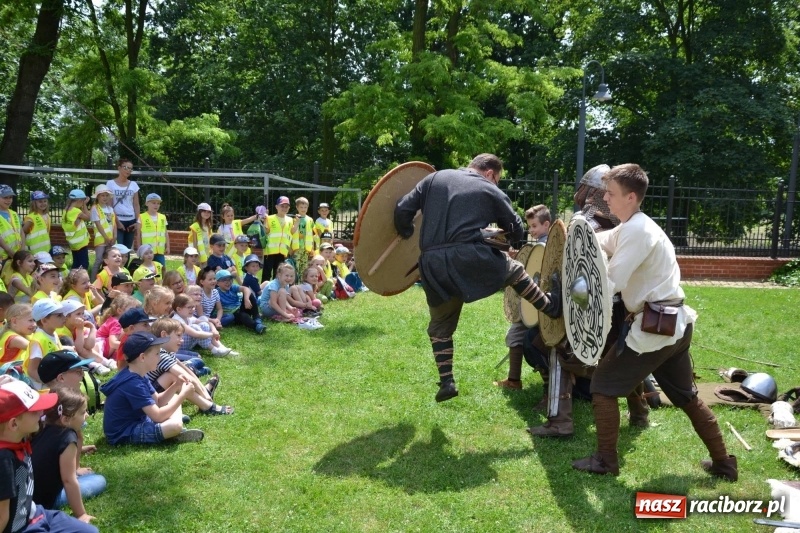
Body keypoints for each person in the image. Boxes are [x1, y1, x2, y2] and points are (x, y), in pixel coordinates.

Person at [571, 163, 737, 481]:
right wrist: (579, 236)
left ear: (631, 197)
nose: (605, 198)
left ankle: (606, 461)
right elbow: (602, 242)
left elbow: (610, 282)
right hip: (674, 324)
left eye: (611, 193)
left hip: (655, 329)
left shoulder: (637, 231)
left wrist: (573, 291)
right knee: (686, 397)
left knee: (603, 386)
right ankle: (725, 465)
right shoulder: (635, 224)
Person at [394, 153, 561, 402]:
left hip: (432, 264)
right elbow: (515, 226)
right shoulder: (487, 187)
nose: (497, 184)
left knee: (440, 325)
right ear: (490, 174)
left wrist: (406, 231)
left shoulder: (433, 179)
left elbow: (402, 210)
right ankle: (549, 306)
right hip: (468, 257)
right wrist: (506, 238)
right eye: (498, 180)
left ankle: (447, 381)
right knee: (514, 270)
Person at [0, 379, 98, 533]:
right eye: (34, 411)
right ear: (14, 425)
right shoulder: (4, 460)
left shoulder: (22, 438)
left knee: (90, 531)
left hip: (35, 512)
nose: (41, 413)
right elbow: (2, 518)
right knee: (99, 481)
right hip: (19, 527)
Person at [100, 332, 204, 445]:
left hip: (139, 421)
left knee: (173, 397)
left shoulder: (139, 374)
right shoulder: (132, 383)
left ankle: (171, 430)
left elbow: (158, 401)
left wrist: (176, 385)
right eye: (157, 354)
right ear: (142, 357)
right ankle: (173, 432)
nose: (160, 357)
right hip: (124, 434)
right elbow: (158, 416)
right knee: (175, 426)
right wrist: (183, 395)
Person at [493, 204, 552, 391]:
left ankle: (546, 388)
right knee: (516, 334)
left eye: (535, 226)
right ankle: (514, 380)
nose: (531, 230)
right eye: (530, 226)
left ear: (547, 225)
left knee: (532, 341)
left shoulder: (551, 247)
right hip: (536, 302)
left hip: (546, 304)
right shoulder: (543, 244)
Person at [31, 386, 106, 523]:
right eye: (83, 412)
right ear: (65, 419)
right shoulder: (67, 437)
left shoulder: (41, 426)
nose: (87, 415)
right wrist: (81, 514)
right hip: (46, 500)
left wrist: (80, 448)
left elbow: (49, 453)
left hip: (30, 495)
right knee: (99, 480)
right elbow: (69, 480)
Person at [149, 318, 231, 415]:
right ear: (164, 335)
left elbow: (187, 370)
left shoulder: (163, 351)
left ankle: (206, 398)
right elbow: (185, 376)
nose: (182, 340)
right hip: (150, 399)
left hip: (155, 392)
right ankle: (207, 406)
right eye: (178, 336)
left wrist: (204, 392)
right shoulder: (160, 355)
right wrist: (205, 396)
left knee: (181, 374)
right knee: (176, 377)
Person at [24, 299, 66, 389]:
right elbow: (32, 370)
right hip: (40, 385)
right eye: (59, 315)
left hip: (54, 378)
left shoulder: (53, 333)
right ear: (44, 321)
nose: (64, 317)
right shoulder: (38, 340)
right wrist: (50, 385)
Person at [106, 158, 140, 250]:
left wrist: (137, 222)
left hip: (131, 221)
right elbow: (109, 206)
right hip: (117, 220)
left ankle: (125, 265)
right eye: (126, 167)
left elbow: (136, 205)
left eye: (130, 168)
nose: (128, 170)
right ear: (119, 168)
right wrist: (117, 222)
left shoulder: (133, 185)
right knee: (118, 248)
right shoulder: (110, 184)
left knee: (127, 249)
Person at [262, 196, 293, 282]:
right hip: (270, 251)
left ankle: (277, 291)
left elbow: (291, 233)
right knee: (267, 273)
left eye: (286, 206)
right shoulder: (270, 218)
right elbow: (266, 231)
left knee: (279, 273)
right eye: (282, 206)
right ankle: (264, 292)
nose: (284, 208)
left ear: (289, 208)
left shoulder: (290, 220)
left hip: (282, 251)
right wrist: (264, 221)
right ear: (276, 207)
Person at [89, 185, 116, 282]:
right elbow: (98, 224)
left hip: (110, 239)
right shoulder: (95, 208)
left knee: (109, 261)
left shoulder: (110, 209)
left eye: (106, 195)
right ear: (97, 197)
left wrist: (115, 236)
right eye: (102, 195)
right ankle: (92, 281)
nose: (105, 198)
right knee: (99, 260)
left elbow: (114, 223)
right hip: (101, 239)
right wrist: (105, 237)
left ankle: (106, 280)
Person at [61, 190, 91, 271]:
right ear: (79, 200)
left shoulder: (66, 210)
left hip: (73, 243)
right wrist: (85, 205)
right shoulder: (76, 211)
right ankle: (80, 280)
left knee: (76, 264)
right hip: (80, 243)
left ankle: (72, 281)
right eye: (82, 201)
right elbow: (89, 217)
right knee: (83, 265)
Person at [137, 193, 168, 268]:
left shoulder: (162, 217)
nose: (156, 205)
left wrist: (168, 246)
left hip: (159, 250)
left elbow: (166, 233)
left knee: (162, 268)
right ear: (147, 203)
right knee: (148, 269)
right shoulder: (142, 217)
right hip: (147, 251)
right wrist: (139, 248)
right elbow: (138, 234)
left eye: (158, 203)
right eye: (153, 203)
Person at [290, 197, 316, 282]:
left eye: (305, 207)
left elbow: (312, 234)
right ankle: (295, 284)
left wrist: (312, 248)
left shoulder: (310, 220)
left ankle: (302, 283)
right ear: (297, 207)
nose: (303, 209)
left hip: (306, 248)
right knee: (296, 266)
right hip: (297, 247)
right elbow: (291, 233)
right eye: (301, 207)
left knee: (304, 267)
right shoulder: (294, 219)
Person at [22, 191, 51, 256]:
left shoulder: (47, 215)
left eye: (45, 201)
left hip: (45, 249)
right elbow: (23, 232)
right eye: (40, 201)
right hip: (33, 251)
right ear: (34, 203)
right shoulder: (31, 217)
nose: (43, 203)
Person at [0, 185, 22, 267]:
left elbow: (21, 232)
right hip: (2, 257)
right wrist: (9, 251)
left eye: (10, 197)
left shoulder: (14, 213)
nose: (8, 200)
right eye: (5, 197)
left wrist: (22, 250)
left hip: (15, 254)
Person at [188, 203, 213, 267]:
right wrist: (196, 255)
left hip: (206, 253)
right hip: (198, 254)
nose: (206, 213)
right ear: (199, 212)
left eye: (208, 212)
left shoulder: (209, 226)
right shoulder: (195, 226)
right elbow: (195, 242)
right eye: (204, 211)